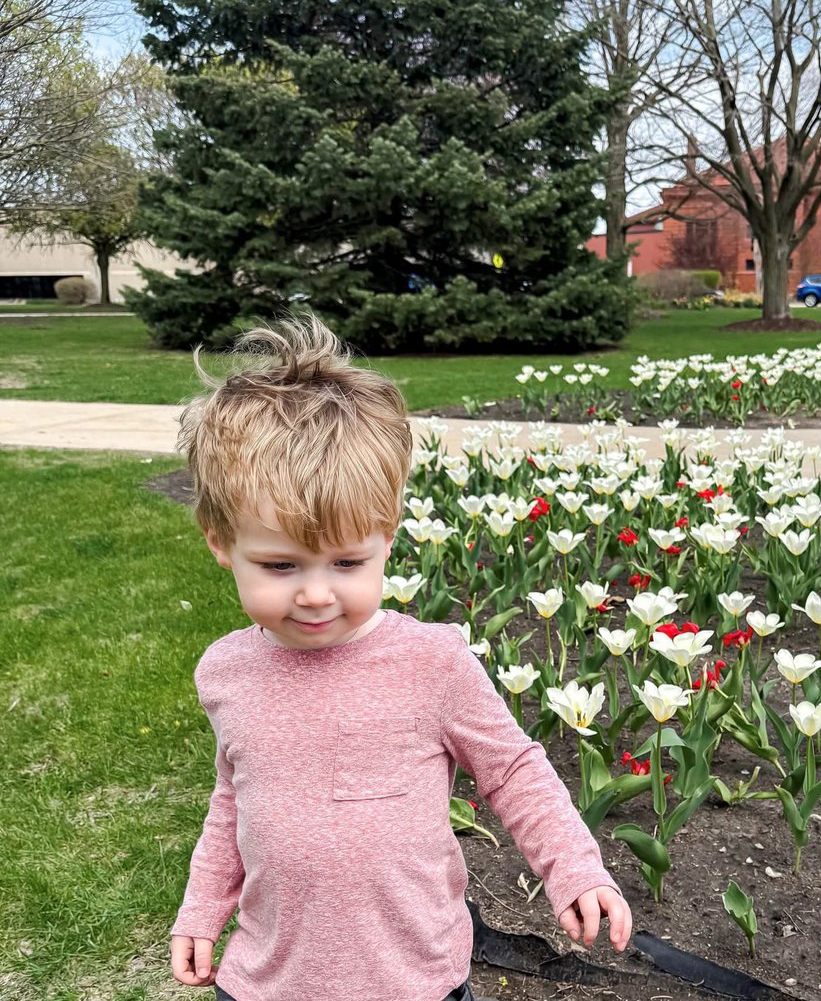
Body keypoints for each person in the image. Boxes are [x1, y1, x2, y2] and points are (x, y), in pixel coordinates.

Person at [169, 313, 630, 1001]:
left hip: (415, 979)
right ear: (220, 542)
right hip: (269, 982)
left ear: (388, 537)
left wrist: (574, 867)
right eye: (280, 565)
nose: (317, 594)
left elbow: (514, 771)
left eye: (348, 561)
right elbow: (232, 797)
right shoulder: (228, 673)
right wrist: (204, 907)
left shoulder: (431, 664)